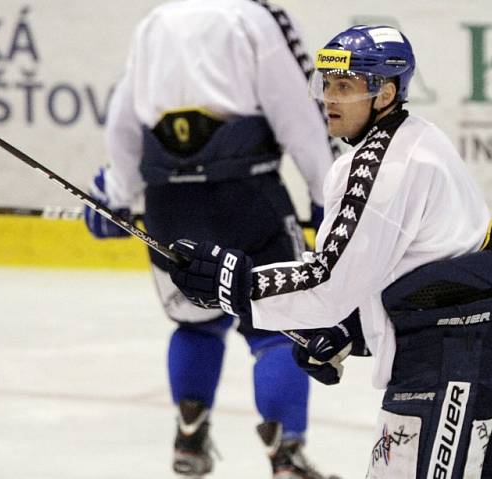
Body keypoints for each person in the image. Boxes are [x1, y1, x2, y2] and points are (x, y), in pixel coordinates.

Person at [168, 24, 492, 478]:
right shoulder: (416, 137)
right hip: (470, 345)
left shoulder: (382, 167)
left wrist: (235, 285)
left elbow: (331, 280)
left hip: (453, 357)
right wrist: (352, 327)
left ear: (386, 93)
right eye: (327, 84)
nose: (330, 98)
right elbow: (408, 261)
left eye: (346, 86)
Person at [84, 1, 341, 477]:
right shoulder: (254, 18)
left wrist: (116, 195)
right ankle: (286, 457)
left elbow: (125, 118)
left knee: (195, 323)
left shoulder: (154, 22)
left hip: (168, 208)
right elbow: (299, 114)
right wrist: (328, 196)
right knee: (279, 331)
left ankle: (189, 438)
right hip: (244, 201)